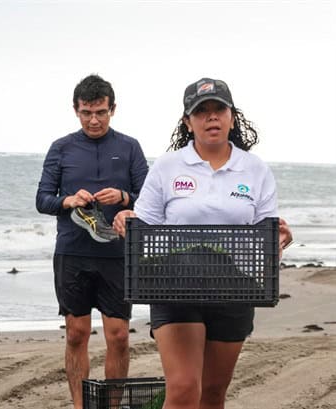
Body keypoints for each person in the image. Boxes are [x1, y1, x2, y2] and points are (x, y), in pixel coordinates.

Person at [113, 77, 293, 409]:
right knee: (183, 390)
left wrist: (281, 238)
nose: (211, 117)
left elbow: (266, 234)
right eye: (201, 111)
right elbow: (143, 225)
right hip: (173, 284)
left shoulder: (255, 170)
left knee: (212, 393)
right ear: (188, 121)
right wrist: (126, 221)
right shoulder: (168, 167)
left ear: (232, 116)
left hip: (236, 287)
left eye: (218, 110)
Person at [36, 74, 149, 408]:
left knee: (118, 337)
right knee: (76, 334)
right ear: (76, 110)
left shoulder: (129, 147)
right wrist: (68, 200)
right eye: (87, 112)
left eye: (100, 111)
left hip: (117, 254)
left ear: (112, 109)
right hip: (72, 253)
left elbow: (150, 200)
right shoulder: (61, 148)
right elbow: (43, 200)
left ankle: (111, 406)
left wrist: (124, 196)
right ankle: (80, 406)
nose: (94, 119)